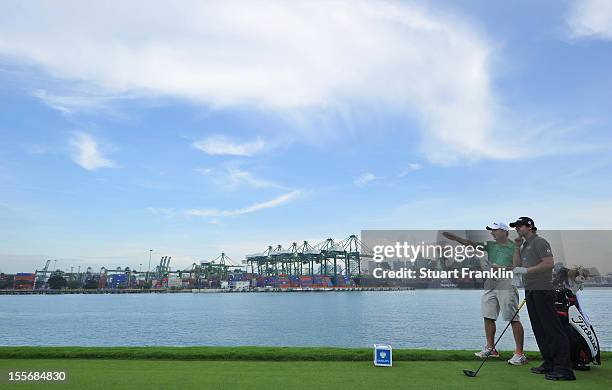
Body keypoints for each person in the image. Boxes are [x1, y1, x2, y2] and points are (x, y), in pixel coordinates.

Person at [443, 223, 527, 365]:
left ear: (504, 231)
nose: (492, 233)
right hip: (490, 283)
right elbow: (471, 244)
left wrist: (501, 267)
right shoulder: (490, 245)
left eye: (495, 230)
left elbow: (516, 266)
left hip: (506, 284)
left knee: (513, 318)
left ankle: (520, 354)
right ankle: (490, 348)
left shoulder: (514, 246)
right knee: (488, 316)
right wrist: (455, 238)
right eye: (491, 230)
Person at [511, 217, 576, 381]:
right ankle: (549, 363)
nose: (517, 229)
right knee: (539, 328)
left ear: (530, 226)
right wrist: (517, 248)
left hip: (543, 289)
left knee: (552, 329)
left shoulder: (539, 242)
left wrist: (527, 271)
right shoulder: (525, 245)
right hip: (531, 289)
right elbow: (516, 265)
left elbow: (549, 264)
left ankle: (564, 369)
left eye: (519, 226)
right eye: (516, 226)